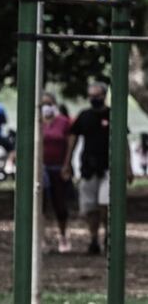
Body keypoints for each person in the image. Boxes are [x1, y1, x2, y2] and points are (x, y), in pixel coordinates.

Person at [62, 82, 134, 255]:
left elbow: (124, 142)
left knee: (106, 203)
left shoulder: (114, 114)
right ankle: (94, 238)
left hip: (110, 168)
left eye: (98, 95)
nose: (95, 99)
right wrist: (67, 163)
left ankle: (108, 234)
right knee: (89, 207)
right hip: (88, 168)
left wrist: (128, 167)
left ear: (105, 95)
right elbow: (73, 139)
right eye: (91, 96)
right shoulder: (84, 116)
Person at [40, 92, 73, 253]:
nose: (46, 106)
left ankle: (63, 235)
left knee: (60, 205)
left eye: (49, 103)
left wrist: (67, 164)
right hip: (41, 169)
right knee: (40, 205)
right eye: (43, 103)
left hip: (58, 168)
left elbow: (70, 143)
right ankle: (41, 238)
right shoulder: (36, 122)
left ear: (54, 104)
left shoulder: (64, 122)